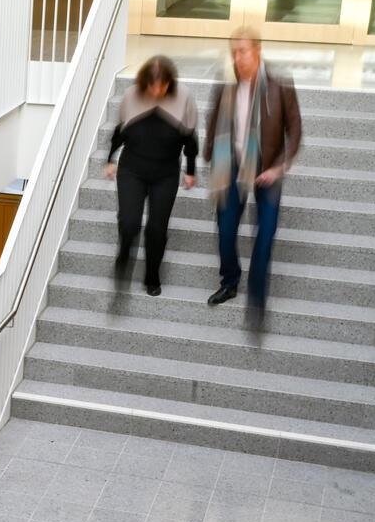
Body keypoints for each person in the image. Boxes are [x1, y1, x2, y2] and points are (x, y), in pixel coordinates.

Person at [203, 26, 301, 315]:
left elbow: (294, 131)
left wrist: (280, 166)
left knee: (266, 232)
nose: (237, 57)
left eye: (242, 51)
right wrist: (211, 155)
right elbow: (213, 120)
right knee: (225, 230)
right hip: (231, 165)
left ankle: (256, 297)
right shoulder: (227, 85)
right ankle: (230, 281)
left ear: (257, 50)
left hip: (267, 166)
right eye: (233, 52)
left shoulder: (280, 85)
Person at [105, 55, 199, 296]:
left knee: (157, 228)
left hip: (165, 173)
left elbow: (190, 137)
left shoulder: (184, 98)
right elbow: (120, 132)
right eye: (152, 85)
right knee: (129, 222)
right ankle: (124, 256)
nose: (157, 90)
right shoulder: (131, 96)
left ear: (170, 83)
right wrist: (110, 159)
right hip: (131, 169)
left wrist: (190, 169)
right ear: (144, 82)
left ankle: (152, 275)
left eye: (163, 85)